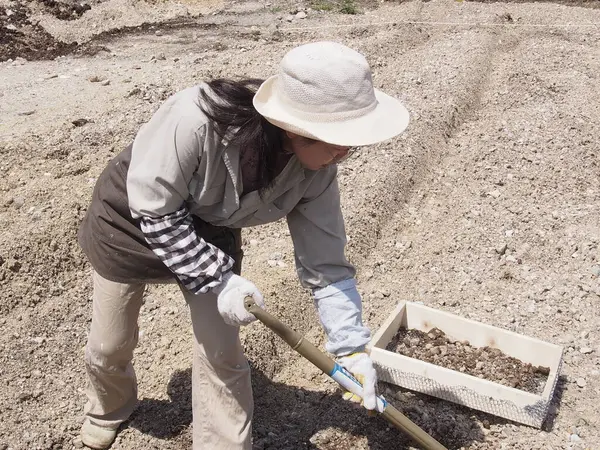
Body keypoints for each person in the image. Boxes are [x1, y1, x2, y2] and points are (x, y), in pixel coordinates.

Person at [77, 40, 410, 449]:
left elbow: (326, 265)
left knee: (221, 352)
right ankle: (109, 408)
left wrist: (351, 349)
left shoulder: (318, 169)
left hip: (210, 232)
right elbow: (155, 211)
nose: (346, 152)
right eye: (338, 140)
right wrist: (219, 279)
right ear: (298, 128)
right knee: (110, 343)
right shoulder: (194, 120)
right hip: (129, 222)